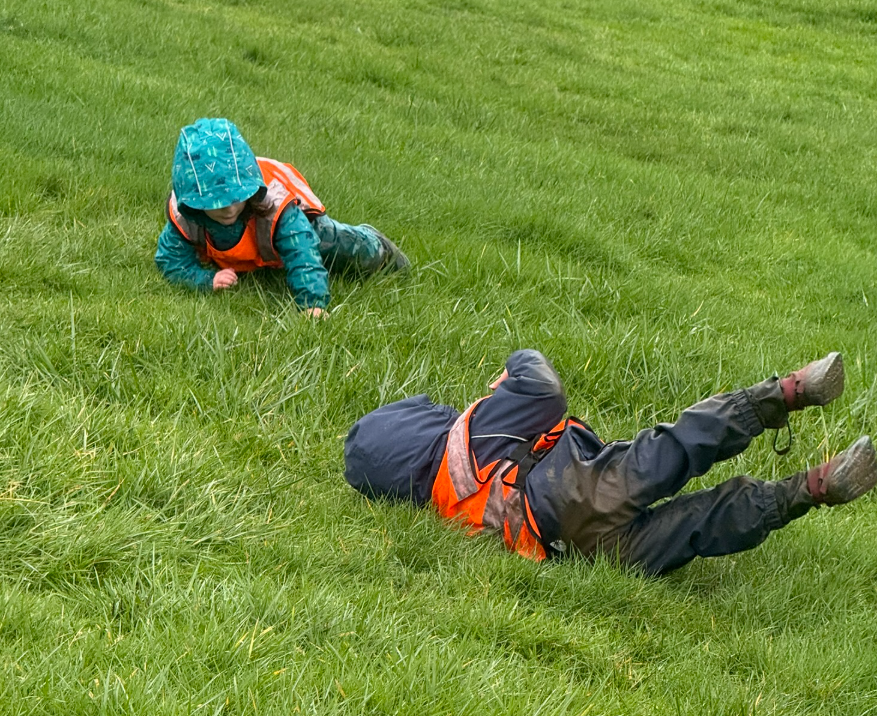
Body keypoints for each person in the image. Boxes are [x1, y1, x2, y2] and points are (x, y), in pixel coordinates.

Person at [344, 349, 877, 575]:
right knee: (676, 447)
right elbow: (545, 389)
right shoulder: (468, 435)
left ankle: (816, 487)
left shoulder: (441, 491)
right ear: (419, 424)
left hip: (572, 551)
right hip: (566, 491)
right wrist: (511, 372)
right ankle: (785, 393)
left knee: (700, 526)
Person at [155, 118, 409, 317]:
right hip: (259, 247)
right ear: (195, 203)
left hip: (302, 225)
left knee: (343, 248)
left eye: (237, 198)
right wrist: (206, 280)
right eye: (216, 204)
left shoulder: (276, 207)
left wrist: (312, 304)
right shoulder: (185, 216)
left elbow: (303, 253)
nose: (229, 209)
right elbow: (171, 261)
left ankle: (380, 247)